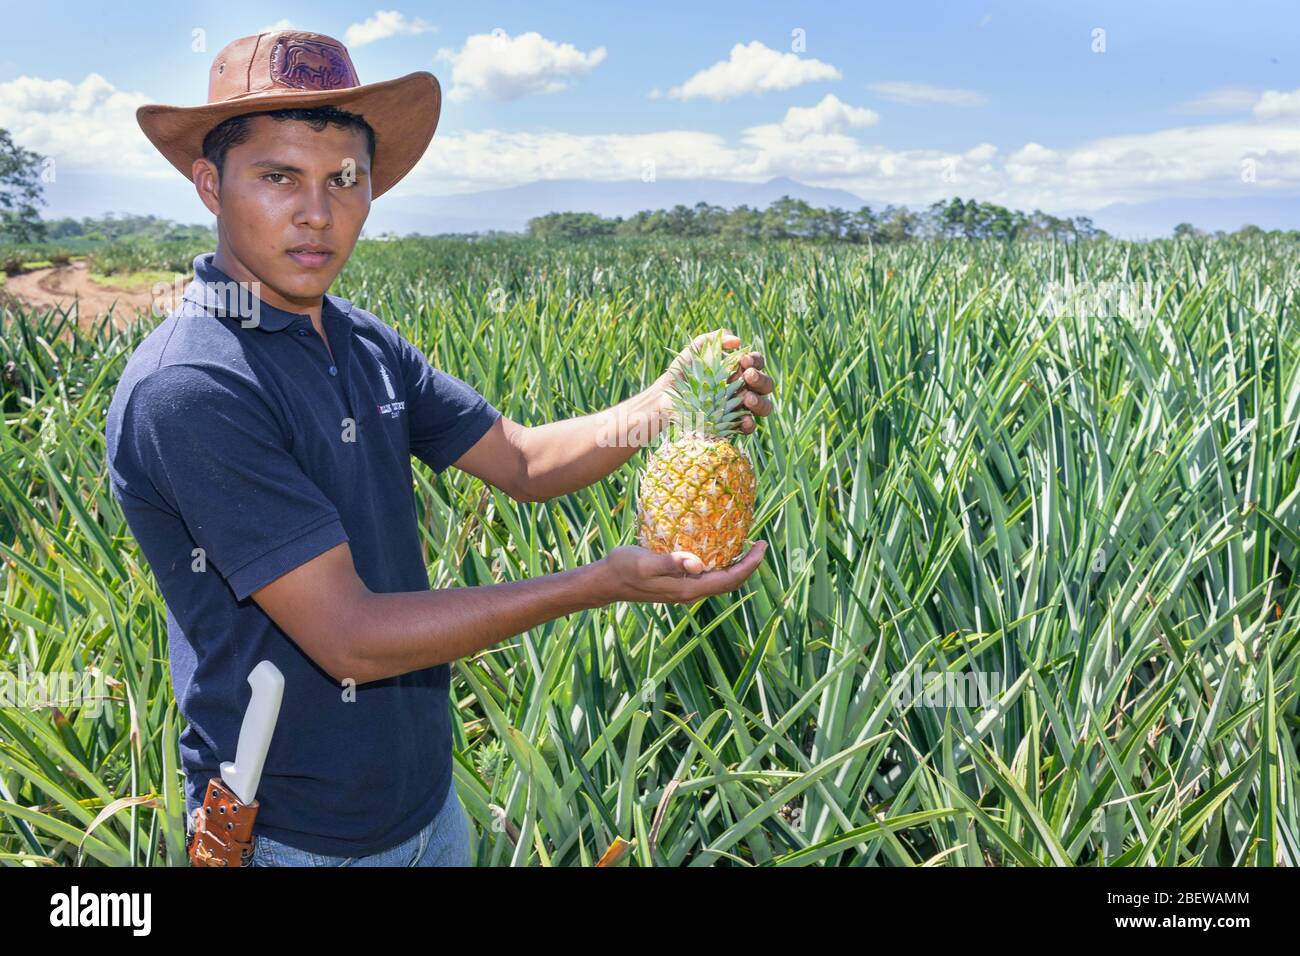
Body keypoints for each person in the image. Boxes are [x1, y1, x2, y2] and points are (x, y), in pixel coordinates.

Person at [106, 30, 776, 866]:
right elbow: (347, 636)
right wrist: (598, 584)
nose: (318, 211)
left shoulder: (359, 340)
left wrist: (668, 400)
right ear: (211, 184)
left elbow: (523, 461)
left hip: (425, 806)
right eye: (279, 177)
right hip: (295, 836)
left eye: (344, 178)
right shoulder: (194, 385)